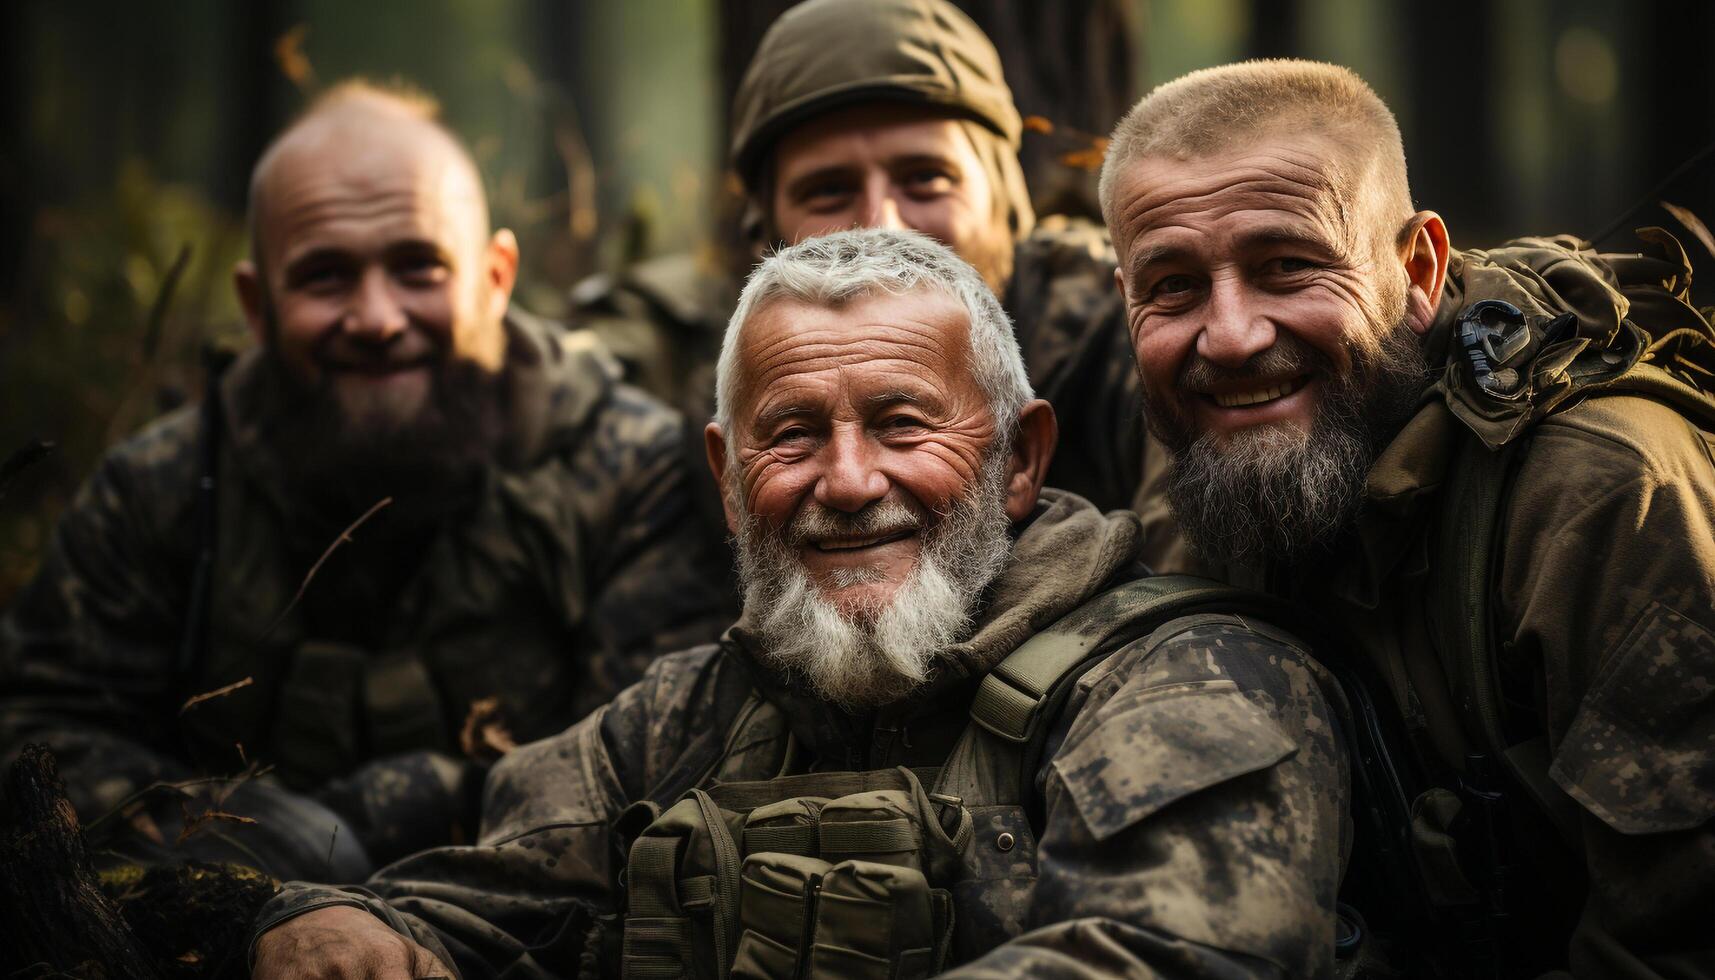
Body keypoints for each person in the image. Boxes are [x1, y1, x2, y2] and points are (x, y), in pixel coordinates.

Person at [248, 228, 1350, 979]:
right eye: (790, 435)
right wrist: (340, 921)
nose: (847, 480)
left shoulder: (1192, 677)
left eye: (901, 423)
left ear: (1021, 457)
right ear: (728, 480)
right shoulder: (681, 717)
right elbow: (481, 901)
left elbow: (1165, 954)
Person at [0, 81, 734, 880]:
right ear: (257, 305)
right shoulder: (163, 489)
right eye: (325, 277)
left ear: (495, 278)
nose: (378, 318)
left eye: (418, 268)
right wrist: (228, 838)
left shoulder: (632, 471)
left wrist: (427, 804)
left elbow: (661, 758)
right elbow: (35, 728)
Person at [1100, 60, 1715, 977]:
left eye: (1287, 265)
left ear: (1417, 266)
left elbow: (1677, 943)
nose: (1228, 336)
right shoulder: (1203, 468)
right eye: (1174, 287)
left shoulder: (1599, 493)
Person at [574, 0, 1189, 574]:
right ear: (764, 231)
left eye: (926, 179)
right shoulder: (705, 373)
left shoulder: (1129, 333)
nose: (882, 223)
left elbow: (1191, 592)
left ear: (1008, 203)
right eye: (828, 191)